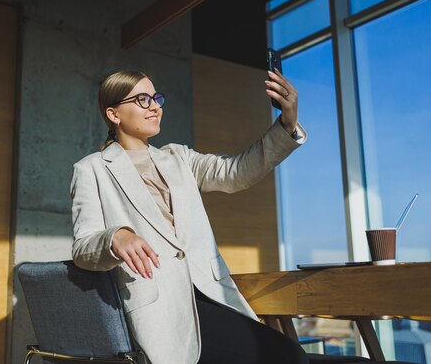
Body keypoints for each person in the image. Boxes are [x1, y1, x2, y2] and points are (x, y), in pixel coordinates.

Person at [70, 69, 308, 364]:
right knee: (287, 357)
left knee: (287, 354)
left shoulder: (179, 158)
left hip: (211, 295)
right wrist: (116, 236)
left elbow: (235, 173)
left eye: (156, 98)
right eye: (142, 99)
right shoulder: (91, 169)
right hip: (159, 310)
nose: (155, 106)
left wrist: (286, 124)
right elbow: (83, 249)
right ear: (114, 114)